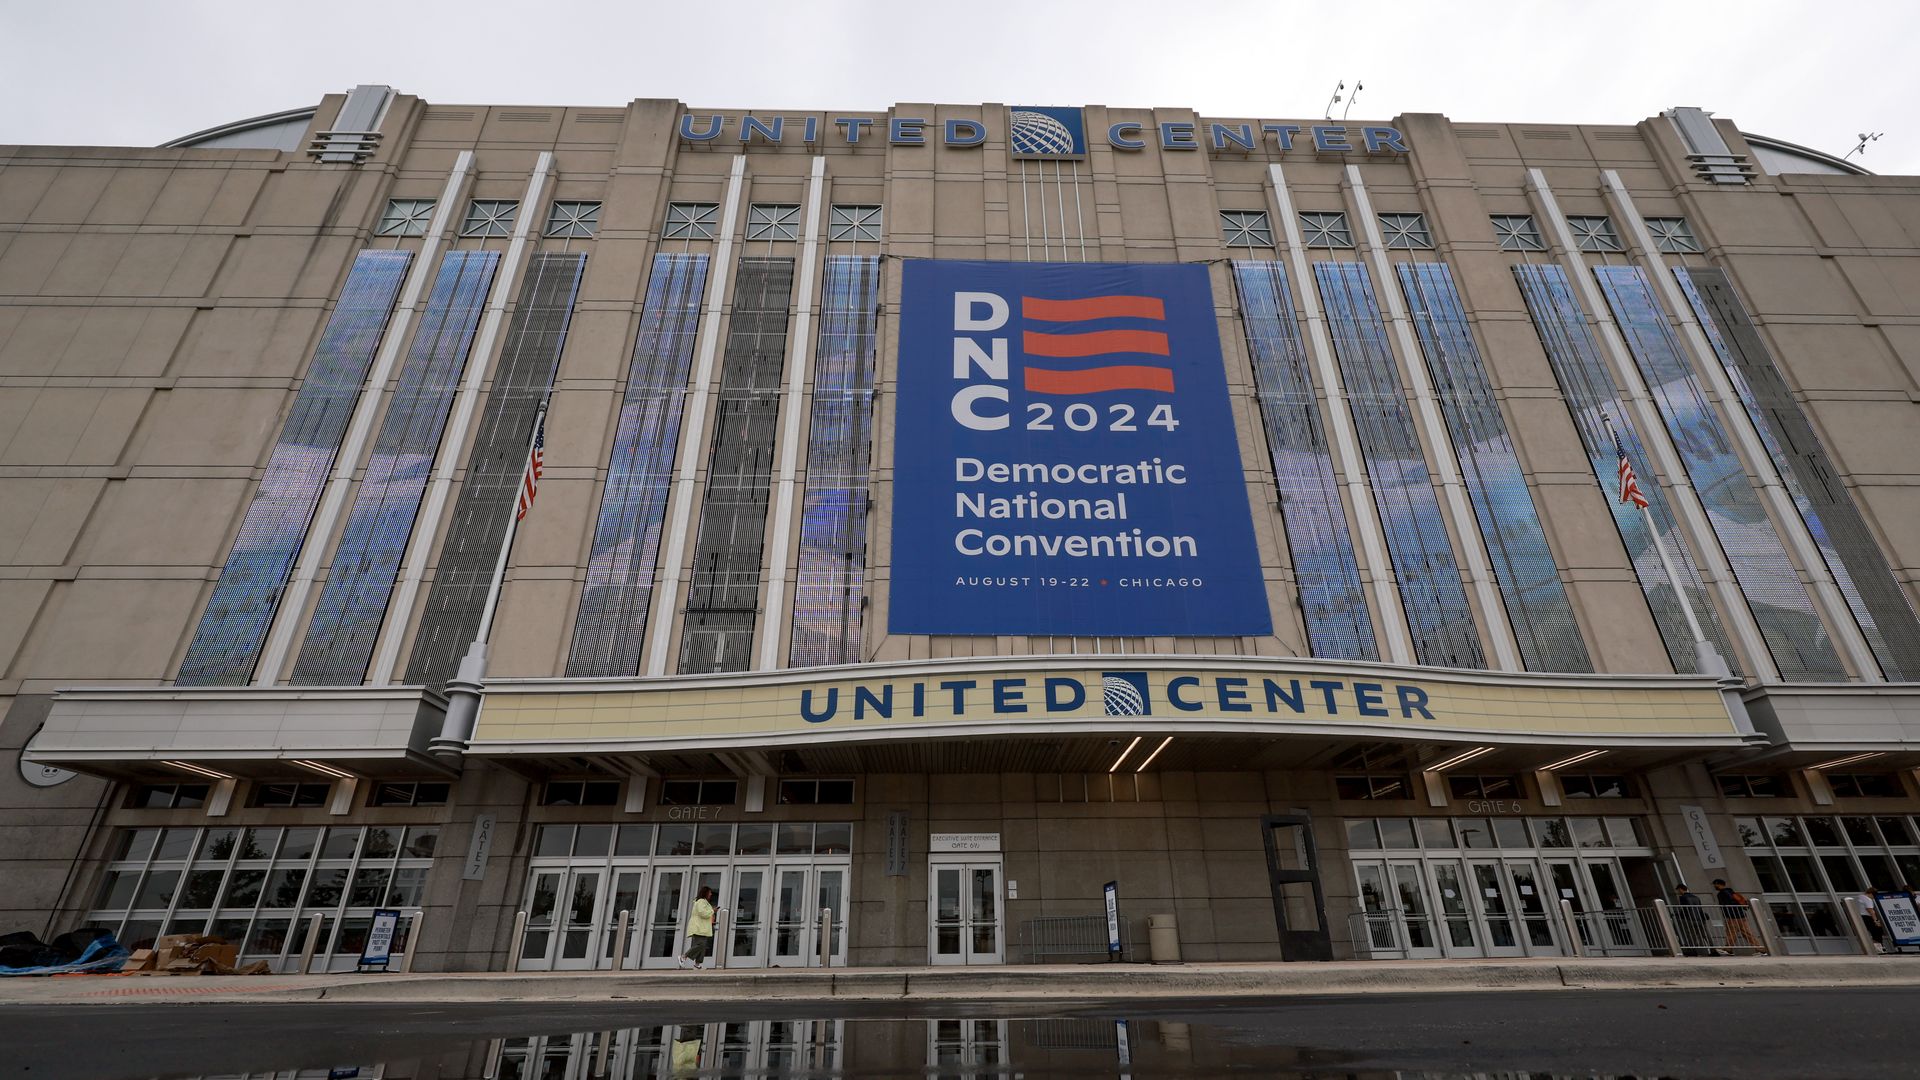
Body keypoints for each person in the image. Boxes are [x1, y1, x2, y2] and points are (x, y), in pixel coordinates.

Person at [1713, 878, 1761, 951]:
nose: (1714, 886)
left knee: (1731, 932)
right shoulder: (1731, 891)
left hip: (1733, 916)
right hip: (1741, 915)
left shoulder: (1723, 893)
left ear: (1718, 884)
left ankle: (1728, 949)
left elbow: (1729, 903)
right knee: (1746, 933)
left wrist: (1728, 913)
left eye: (1715, 884)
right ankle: (1760, 949)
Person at [679, 885, 717, 969]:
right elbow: (702, 913)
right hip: (698, 927)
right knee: (700, 944)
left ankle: (697, 964)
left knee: (702, 946)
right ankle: (684, 956)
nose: (711, 894)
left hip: (702, 928)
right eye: (710, 892)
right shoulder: (701, 901)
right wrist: (712, 911)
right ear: (706, 893)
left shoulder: (703, 902)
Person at [1673, 883, 1710, 956]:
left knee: (1691, 935)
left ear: (1680, 889)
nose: (1678, 892)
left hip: (1690, 919)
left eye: (1678, 890)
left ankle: (1693, 951)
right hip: (1700, 919)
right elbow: (1700, 908)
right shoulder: (1696, 897)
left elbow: (1685, 909)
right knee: (1705, 935)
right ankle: (1713, 949)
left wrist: (1678, 915)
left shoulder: (1683, 898)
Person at [1856, 887, 1885, 952]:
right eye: (1874, 896)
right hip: (1867, 917)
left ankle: (1874, 947)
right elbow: (1871, 911)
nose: (1873, 898)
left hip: (1860, 917)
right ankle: (1878, 948)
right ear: (1872, 894)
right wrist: (1876, 921)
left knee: (1869, 932)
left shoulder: (1860, 897)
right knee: (1878, 931)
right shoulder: (1868, 899)